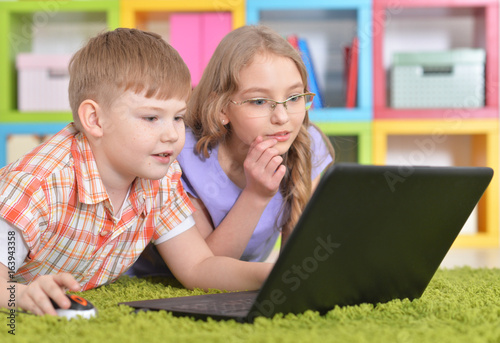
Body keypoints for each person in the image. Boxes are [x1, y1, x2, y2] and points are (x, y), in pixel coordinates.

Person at [0, 28, 272, 316]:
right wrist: (24, 295)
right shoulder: (39, 185)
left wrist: (266, 274)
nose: (171, 134)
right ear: (94, 119)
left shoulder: (160, 178)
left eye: (178, 117)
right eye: (151, 117)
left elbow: (197, 266)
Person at [129, 25, 334, 277]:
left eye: (294, 98)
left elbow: (295, 257)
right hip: (158, 279)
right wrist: (256, 194)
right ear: (222, 109)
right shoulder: (184, 155)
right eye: (259, 101)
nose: (282, 117)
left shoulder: (305, 142)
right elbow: (205, 267)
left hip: (245, 278)